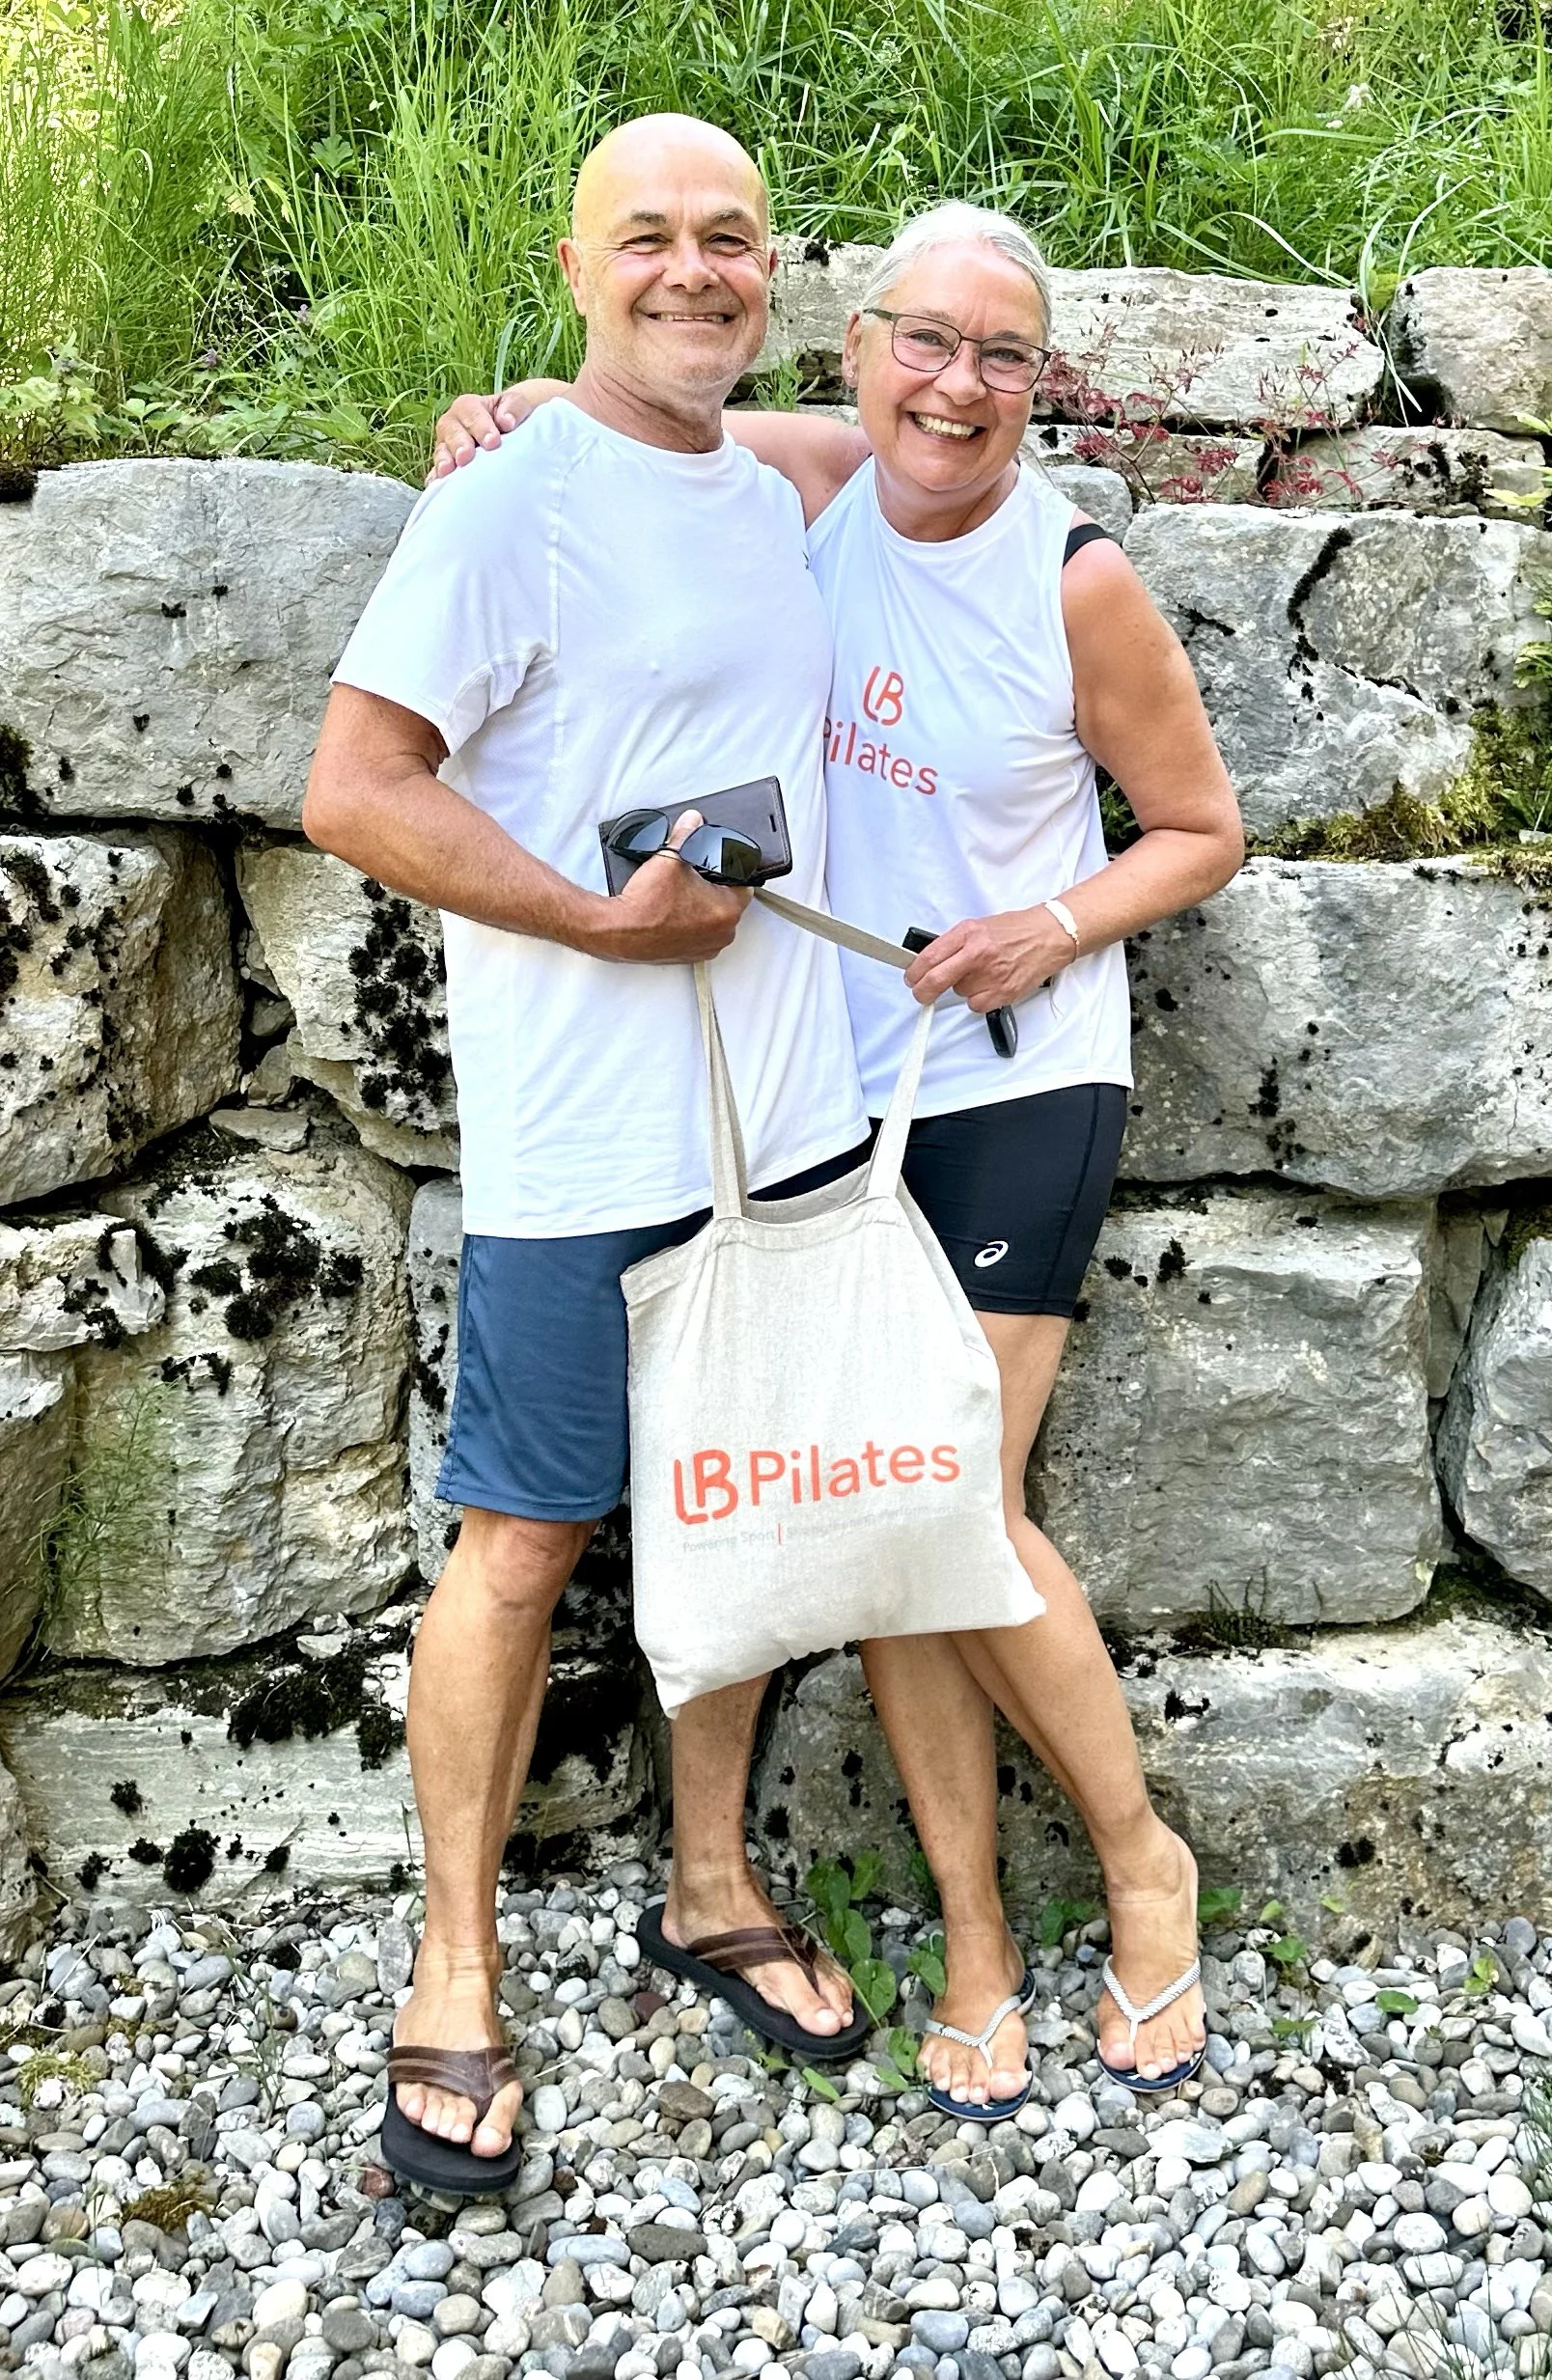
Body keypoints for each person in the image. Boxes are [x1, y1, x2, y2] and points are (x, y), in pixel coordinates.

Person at [434, 197, 1244, 2117]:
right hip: (811, 1095)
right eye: (924, 341)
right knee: (880, 1529)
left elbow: (1198, 828)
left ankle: (1145, 1868)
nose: (956, 389)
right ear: (856, 348)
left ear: (1042, 382)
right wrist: (515, 404)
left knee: (951, 1505)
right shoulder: (802, 484)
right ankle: (971, 1937)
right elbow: (640, 417)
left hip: (1007, 1084)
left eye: (1003, 356)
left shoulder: (1077, 580)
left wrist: (1045, 928)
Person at [303, 113, 879, 2193]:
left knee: (737, 1512)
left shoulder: (773, 482)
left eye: (728, 240)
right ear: (571, 260)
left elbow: (866, 416)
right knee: (523, 1546)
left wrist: (599, 380)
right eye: (646, 240)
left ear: (772, 267)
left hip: (782, 1118)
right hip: (578, 1136)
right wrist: (588, 914)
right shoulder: (504, 511)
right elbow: (352, 787)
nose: (693, 270)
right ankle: (450, 1971)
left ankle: (709, 1883)